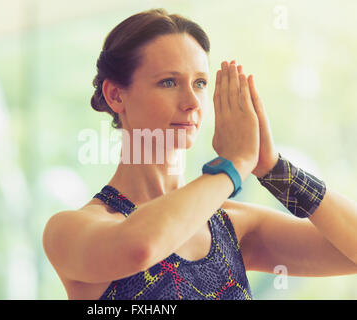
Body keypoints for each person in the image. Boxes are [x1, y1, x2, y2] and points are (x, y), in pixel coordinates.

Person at [42, 8, 357, 300]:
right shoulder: (70, 230)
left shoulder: (234, 225)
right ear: (115, 95)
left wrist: (273, 169)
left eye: (200, 83)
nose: (192, 101)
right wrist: (232, 166)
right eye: (169, 82)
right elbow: (140, 247)